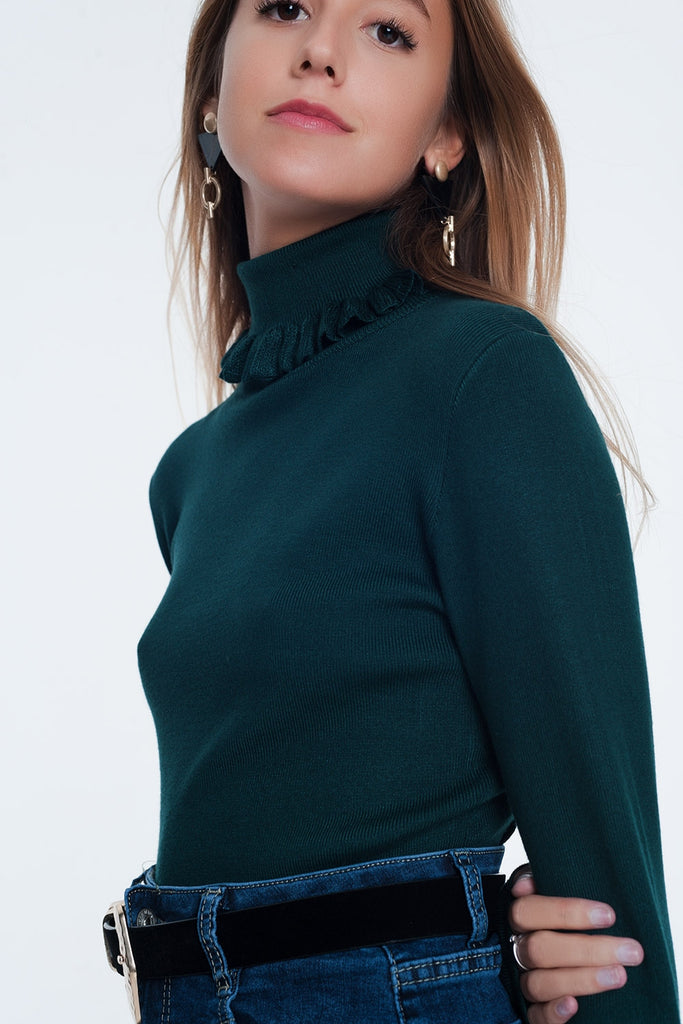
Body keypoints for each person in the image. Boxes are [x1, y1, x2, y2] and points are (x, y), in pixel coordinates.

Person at [103, 0, 679, 1022]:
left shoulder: (483, 375)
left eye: (388, 31)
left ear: (446, 136)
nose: (320, 51)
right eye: (285, 7)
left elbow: (602, 885)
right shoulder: (191, 471)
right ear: (210, 94)